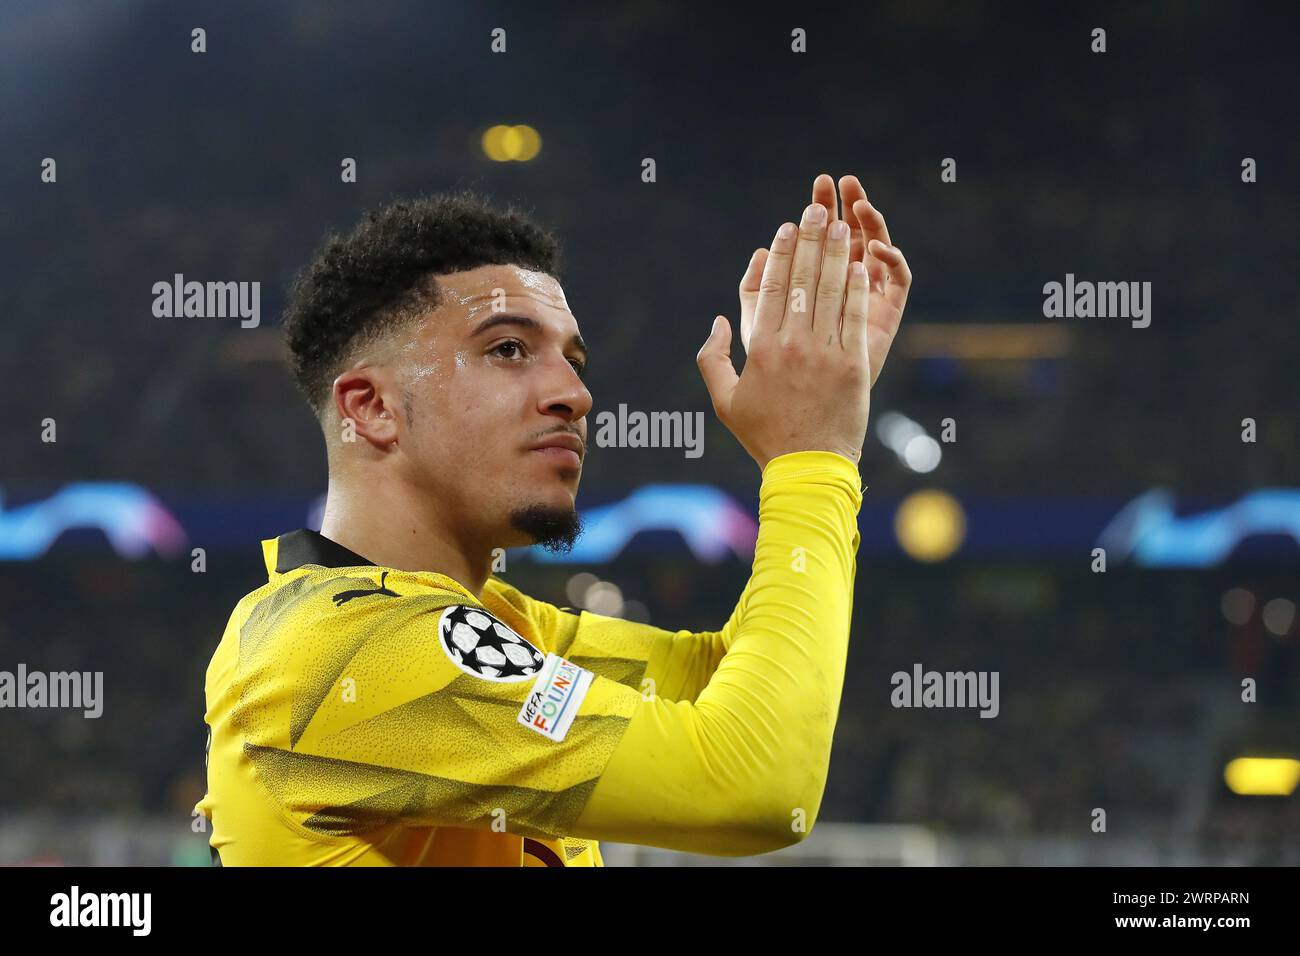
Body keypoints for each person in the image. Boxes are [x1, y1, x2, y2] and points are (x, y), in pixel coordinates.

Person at [195, 173, 912, 865]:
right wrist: (812, 459)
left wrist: (826, 417)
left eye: (574, 360)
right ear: (372, 409)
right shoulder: (338, 651)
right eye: (508, 349)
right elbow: (754, 784)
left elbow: (739, 678)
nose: (575, 394)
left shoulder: (506, 625)